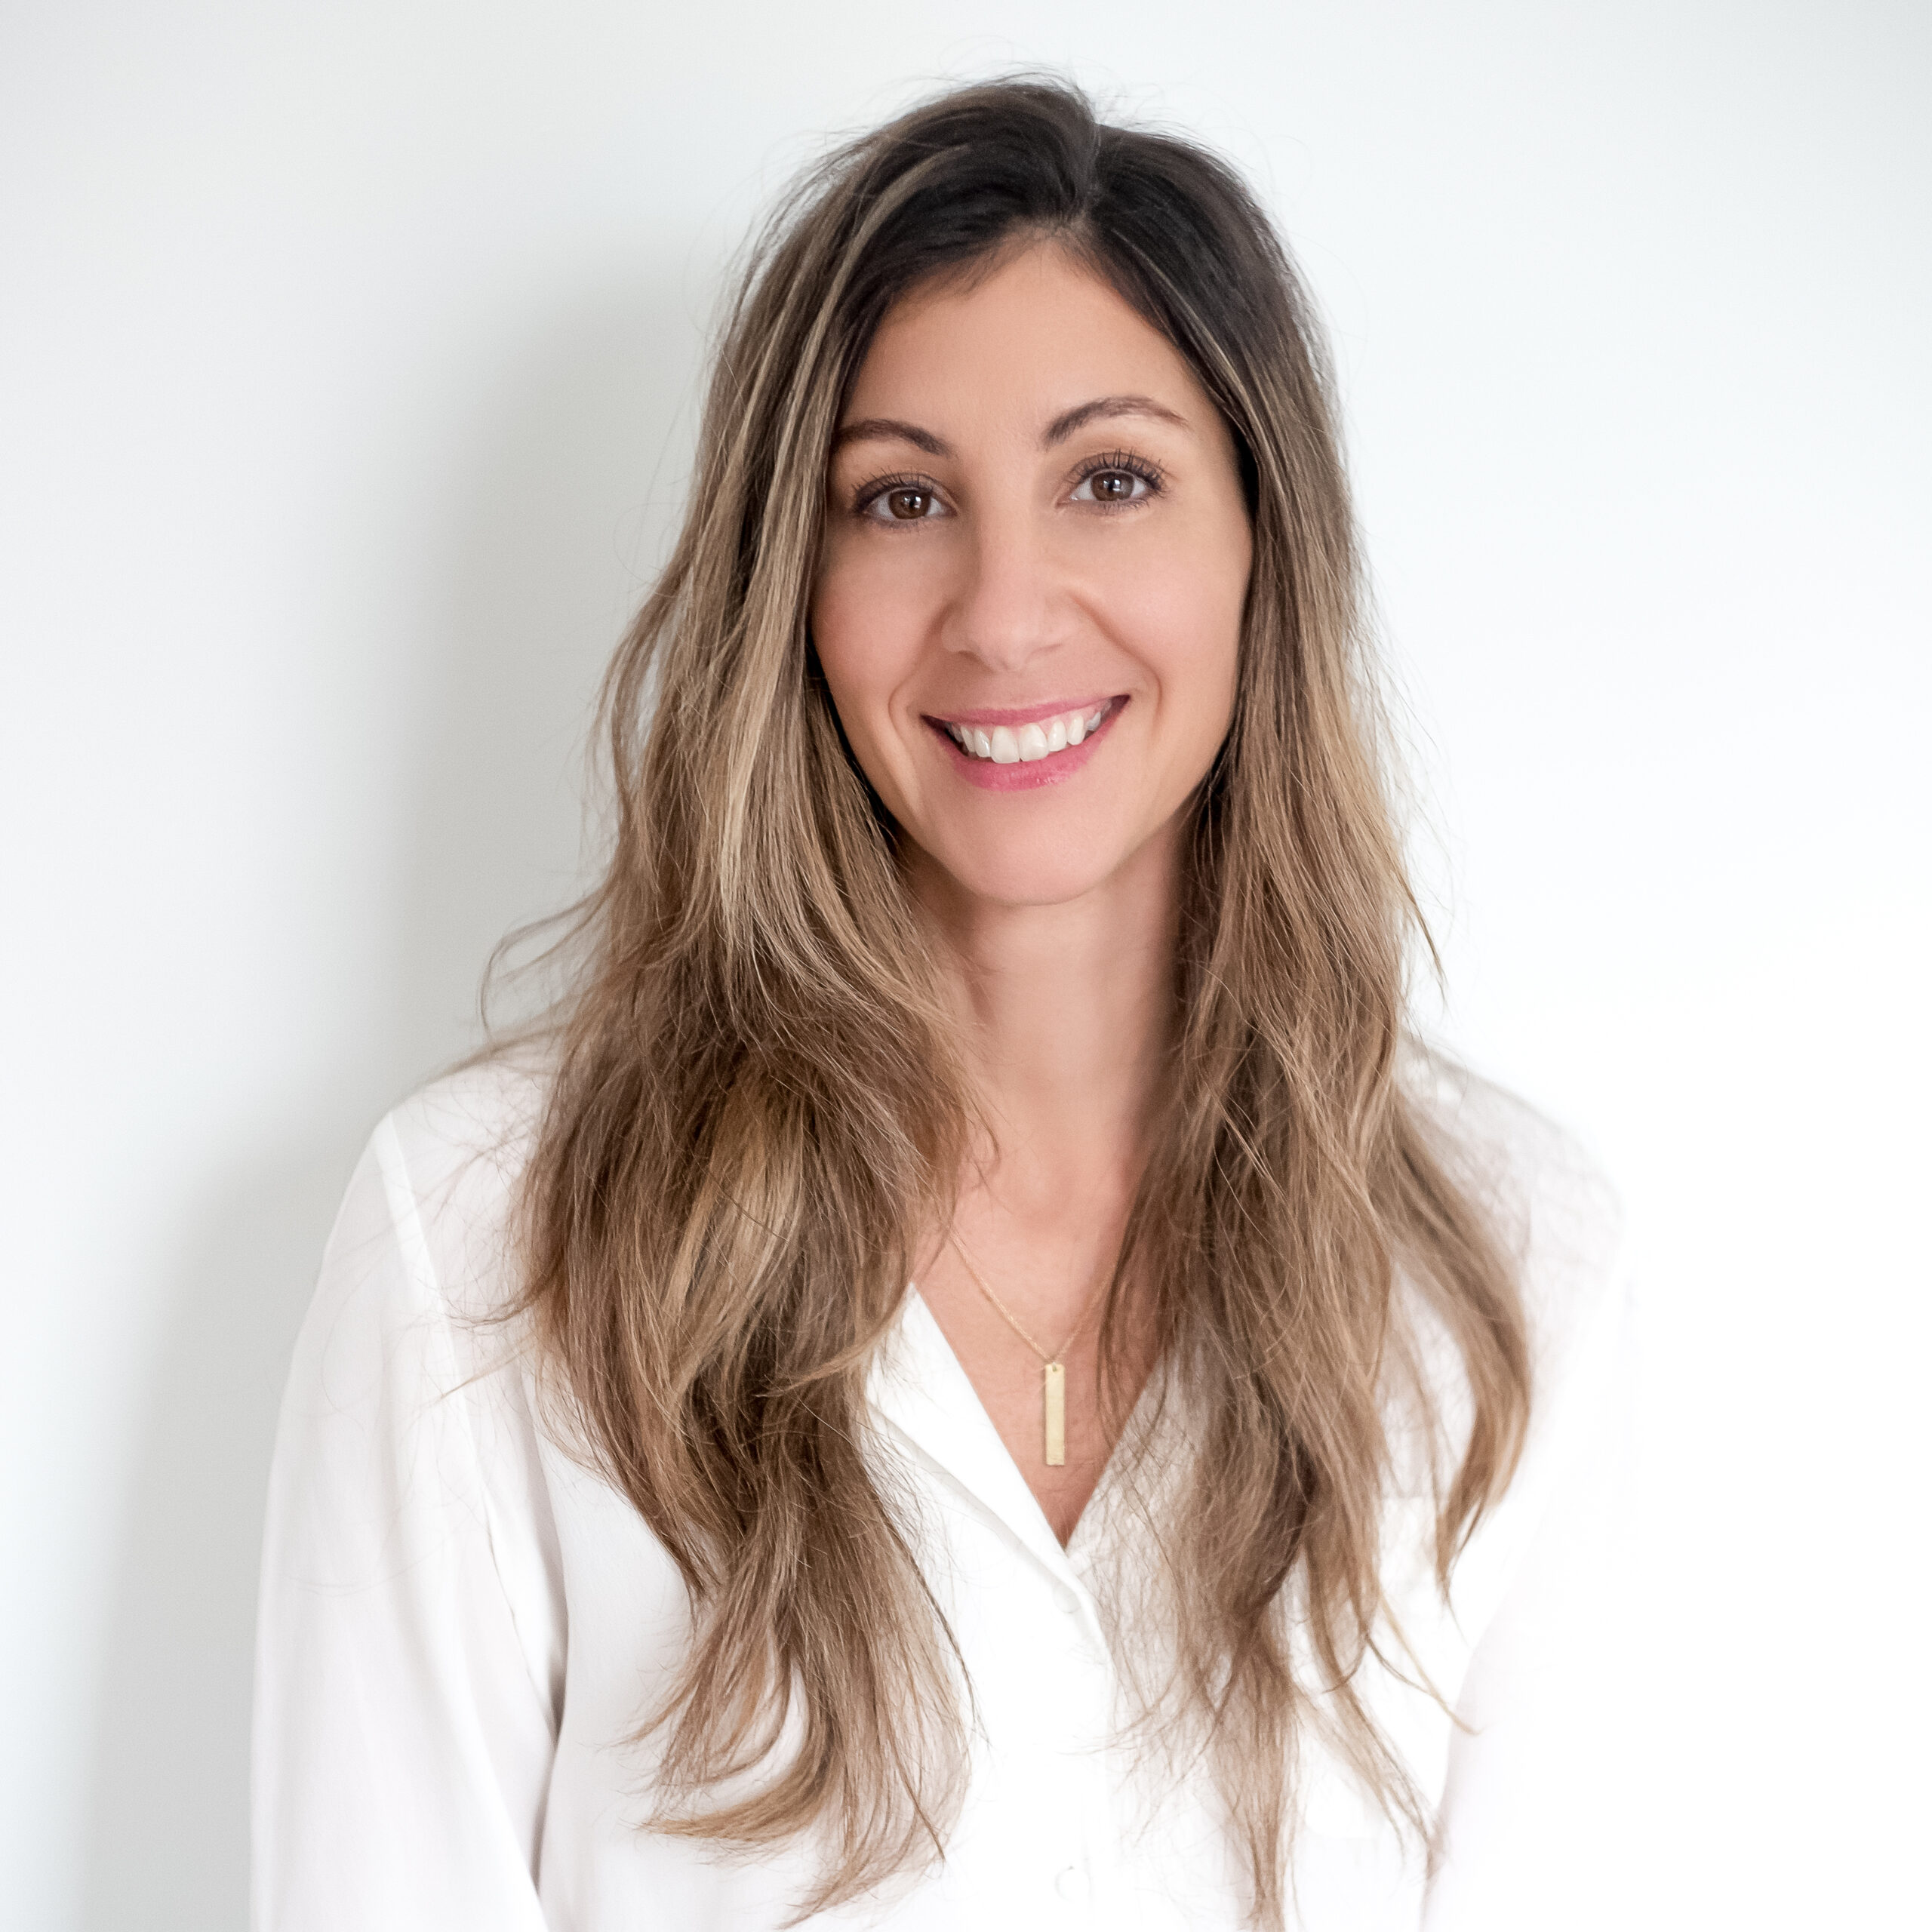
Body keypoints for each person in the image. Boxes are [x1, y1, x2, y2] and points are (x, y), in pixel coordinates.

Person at [253, 77, 1631, 1932]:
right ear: (794, 586)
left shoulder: (1510, 1266)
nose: (1003, 609)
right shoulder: (486, 1240)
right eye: (899, 498)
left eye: (1109, 479)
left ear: (1261, 541)